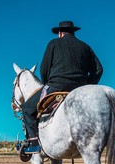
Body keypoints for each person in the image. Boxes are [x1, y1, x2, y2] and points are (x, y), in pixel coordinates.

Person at [21, 20, 104, 154]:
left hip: (56, 86)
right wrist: (87, 86)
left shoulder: (53, 43)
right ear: (73, 32)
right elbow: (99, 70)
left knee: (27, 108)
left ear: (59, 33)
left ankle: (34, 142)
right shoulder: (85, 46)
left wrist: (47, 83)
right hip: (80, 89)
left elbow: (44, 68)